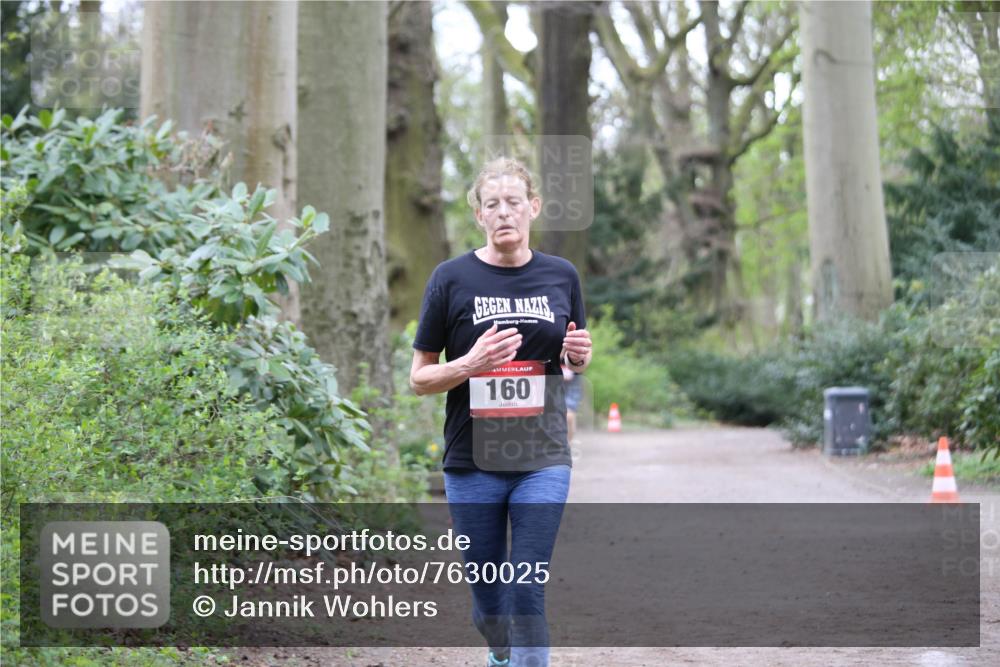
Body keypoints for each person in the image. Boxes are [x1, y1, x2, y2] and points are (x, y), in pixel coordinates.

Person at [410, 157, 591, 667]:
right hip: (472, 461)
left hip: (543, 455)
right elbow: (419, 378)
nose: (504, 212)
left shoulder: (561, 275)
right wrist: (469, 364)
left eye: (514, 202)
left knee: (526, 589)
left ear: (533, 207)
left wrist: (579, 355)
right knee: (490, 605)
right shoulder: (450, 279)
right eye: (493, 204)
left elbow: (573, 352)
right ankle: (499, 653)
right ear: (479, 215)